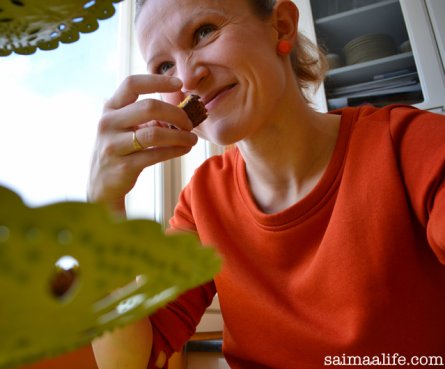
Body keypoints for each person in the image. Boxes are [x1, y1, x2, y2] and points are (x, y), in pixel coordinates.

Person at [88, 0, 445, 367]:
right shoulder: (202, 200)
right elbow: (135, 362)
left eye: (204, 31)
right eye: (164, 66)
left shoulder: (410, 145)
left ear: (283, 26)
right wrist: (104, 207)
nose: (188, 78)